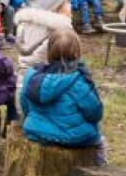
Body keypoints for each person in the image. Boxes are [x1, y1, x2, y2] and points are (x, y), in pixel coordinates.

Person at [20, 28, 104, 162]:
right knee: (100, 143)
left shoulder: (33, 76)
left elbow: (24, 103)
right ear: (76, 52)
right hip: (73, 137)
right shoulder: (79, 80)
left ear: (49, 50)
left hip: (36, 131)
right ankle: (100, 164)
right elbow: (95, 113)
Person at [15, 0, 72, 72]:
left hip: (26, 76)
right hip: (46, 78)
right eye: (66, 2)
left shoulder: (27, 27)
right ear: (56, 8)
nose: (70, 6)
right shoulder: (58, 33)